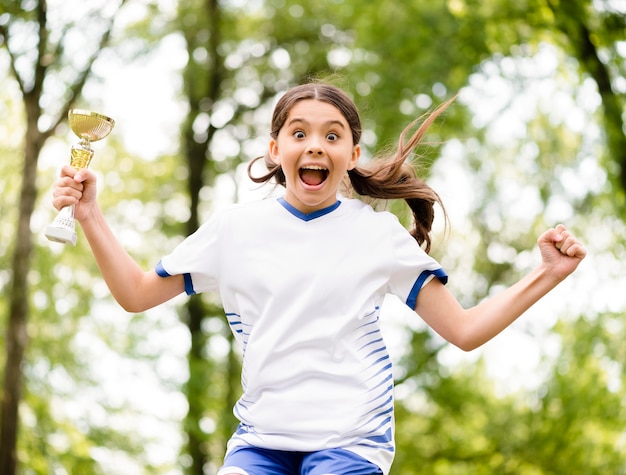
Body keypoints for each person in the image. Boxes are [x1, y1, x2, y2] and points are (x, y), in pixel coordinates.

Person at [51, 83, 586, 475]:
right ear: (274, 149)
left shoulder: (377, 236)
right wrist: (90, 214)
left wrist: (548, 273)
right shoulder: (235, 230)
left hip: (350, 442)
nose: (314, 145)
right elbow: (136, 295)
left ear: (351, 156)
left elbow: (465, 331)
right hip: (259, 440)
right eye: (298, 132)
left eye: (332, 136)